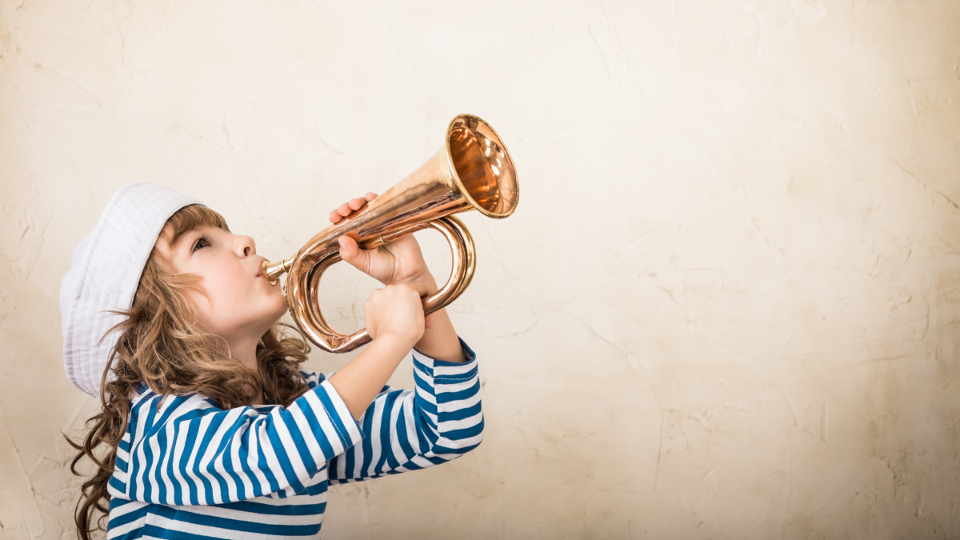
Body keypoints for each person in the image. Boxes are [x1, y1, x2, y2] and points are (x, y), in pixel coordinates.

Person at [60, 183, 483, 540]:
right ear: (158, 313)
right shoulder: (158, 421)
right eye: (202, 244)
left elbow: (447, 428)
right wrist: (389, 343)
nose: (246, 242)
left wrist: (415, 288)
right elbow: (268, 453)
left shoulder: (297, 403)